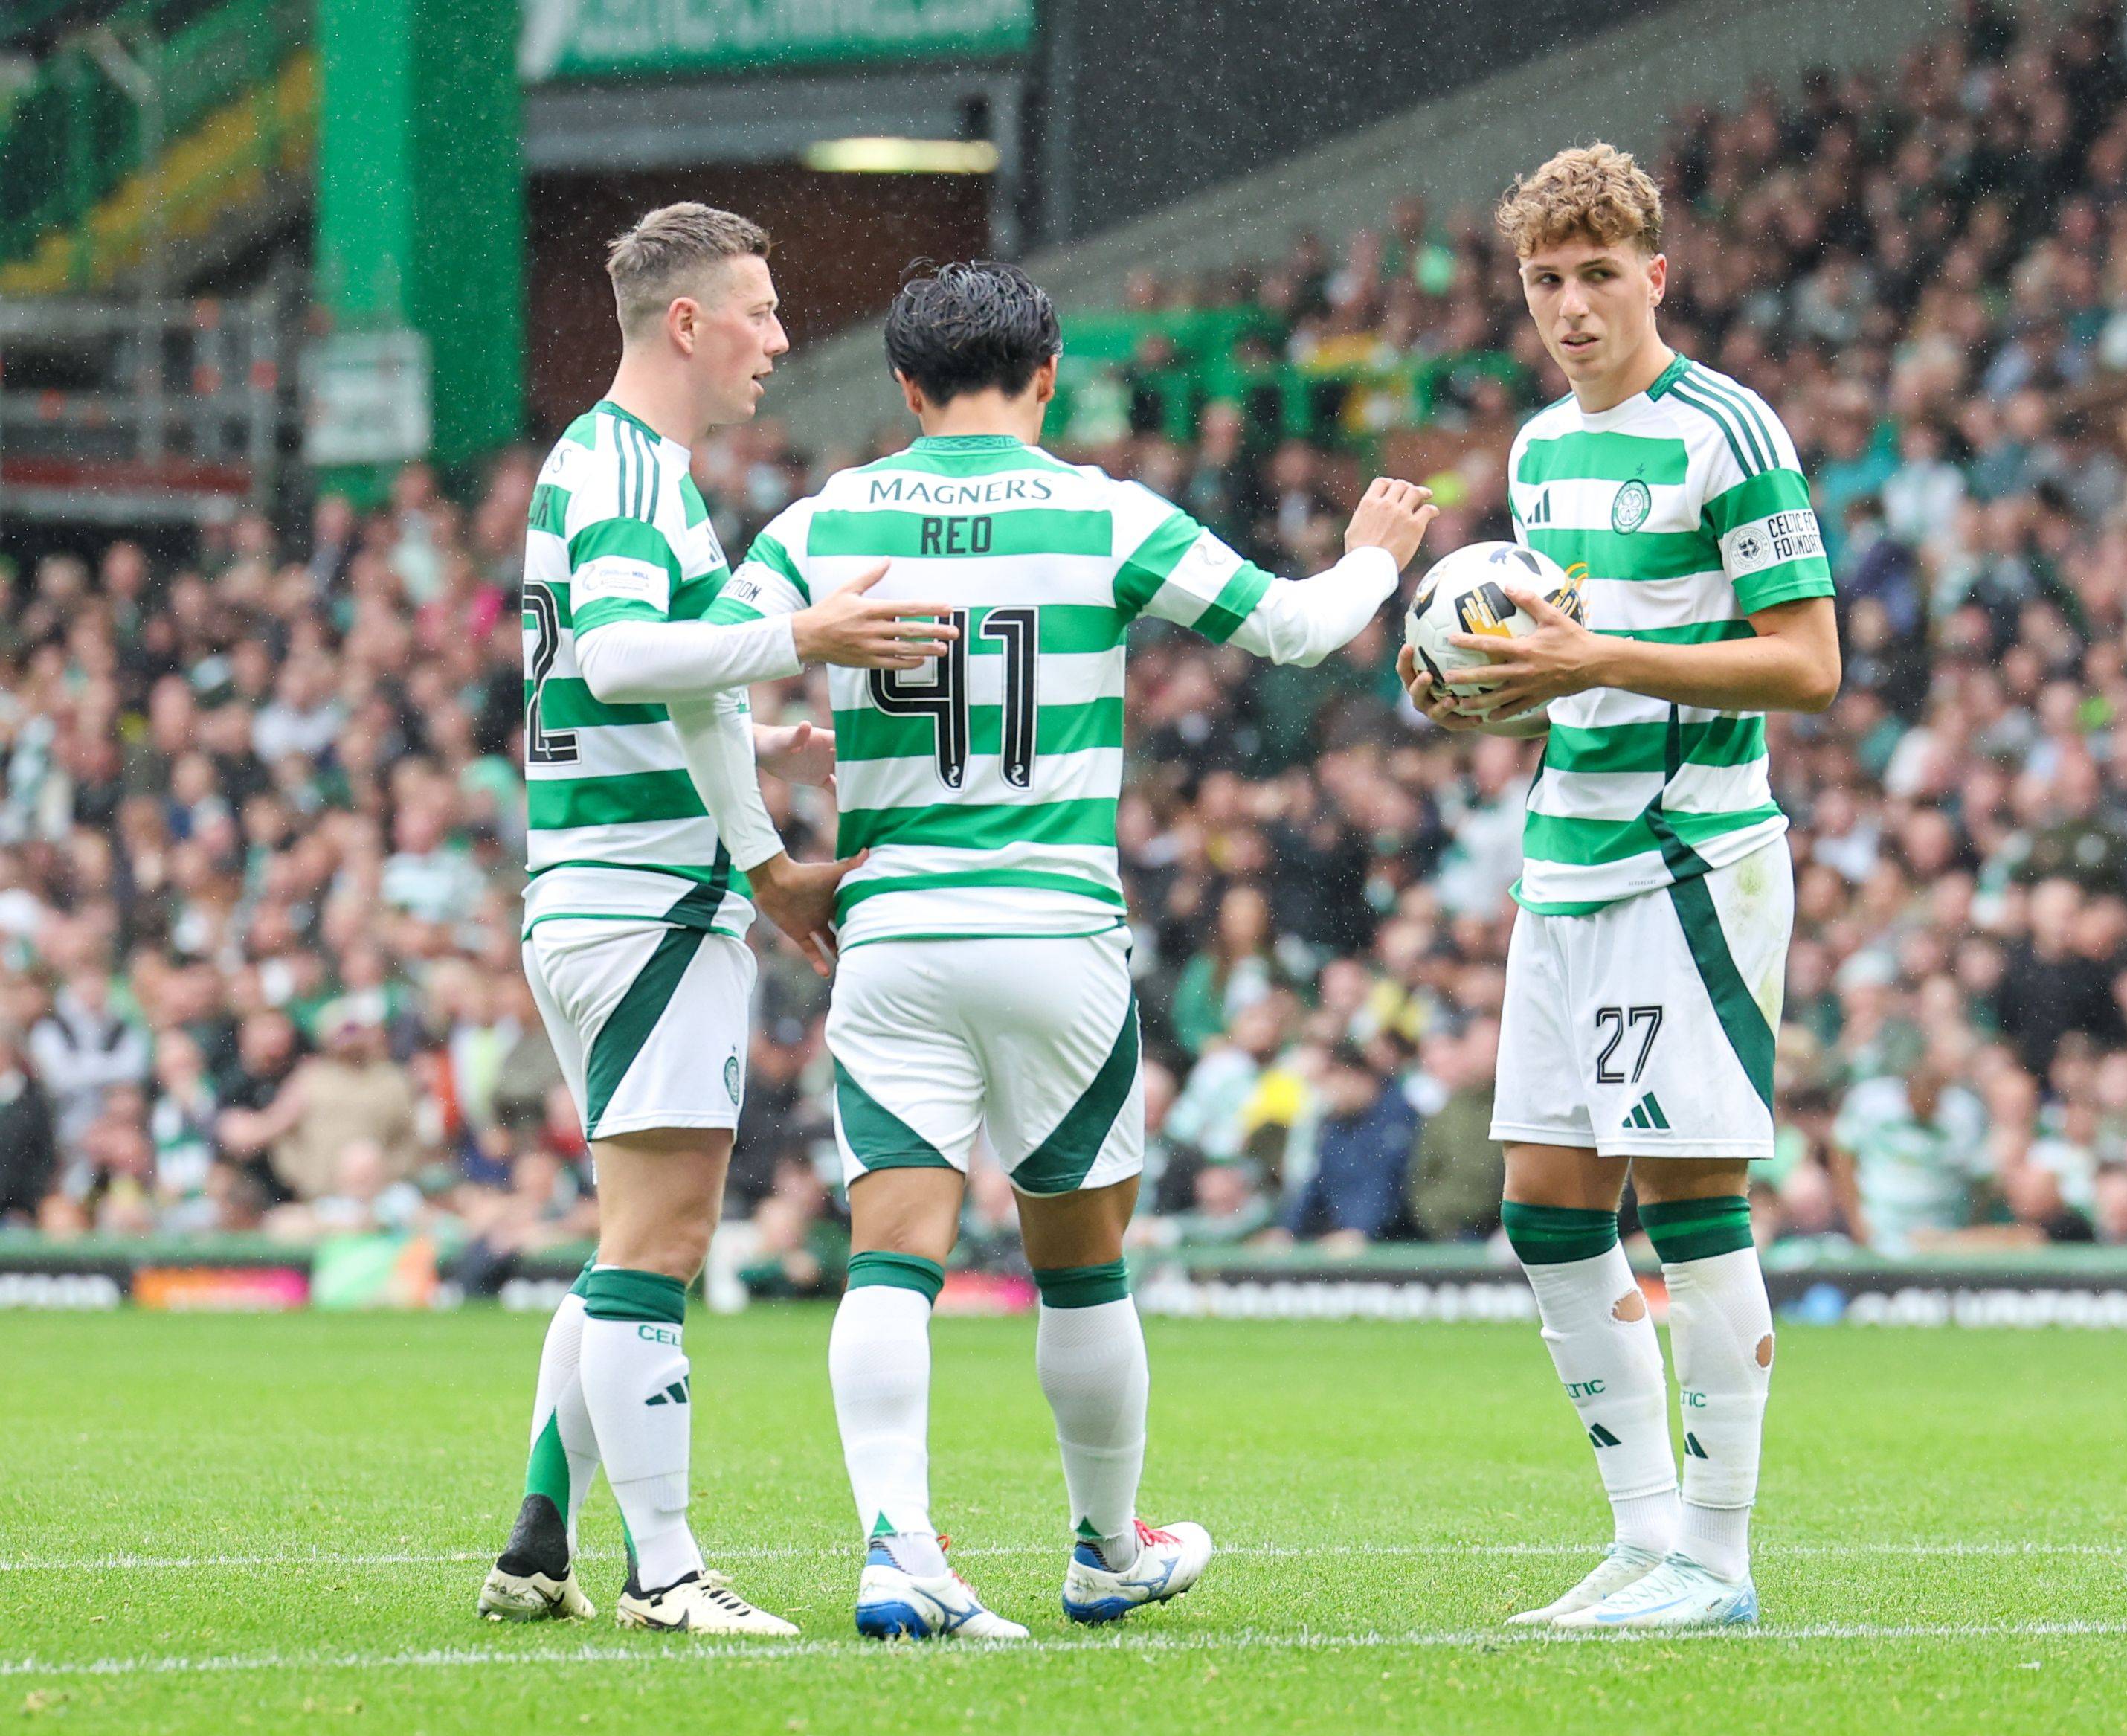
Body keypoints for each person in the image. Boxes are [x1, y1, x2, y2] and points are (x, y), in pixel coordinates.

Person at [709, 260, 1434, 1639]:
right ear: (1048, 377)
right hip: (1055, 928)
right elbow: (1295, 629)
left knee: (892, 1259)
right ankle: (1106, 1546)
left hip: (894, 924)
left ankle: (897, 1545)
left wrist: (768, 850)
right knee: (1084, 1263)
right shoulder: (1103, 512)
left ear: (905, 387)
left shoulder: (829, 517)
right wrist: (1376, 555)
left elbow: (699, 677)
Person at [478, 202, 957, 1637]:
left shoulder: (616, 466)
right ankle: (668, 1572)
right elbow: (629, 656)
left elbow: (656, 691)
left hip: (600, 887)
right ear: (686, 322)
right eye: (760, 309)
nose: (781, 338)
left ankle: (540, 1533)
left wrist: (761, 777)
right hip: (642, 904)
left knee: (631, 1230)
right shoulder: (632, 469)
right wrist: (802, 636)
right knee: (661, 1241)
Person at [1400, 144, 1839, 1631]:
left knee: (1691, 1205)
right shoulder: (1535, 451)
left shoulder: (1730, 431)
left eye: (1599, 274)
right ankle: (1644, 1539)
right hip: (1564, 857)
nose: (1573, 306)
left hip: (1689, 858)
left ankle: (1715, 1556)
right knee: (1544, 1210)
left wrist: (1597, 659)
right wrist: (1476, 695)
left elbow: (1808, 663)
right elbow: (1562, 673)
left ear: (1656, 274)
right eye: (1547, 280)